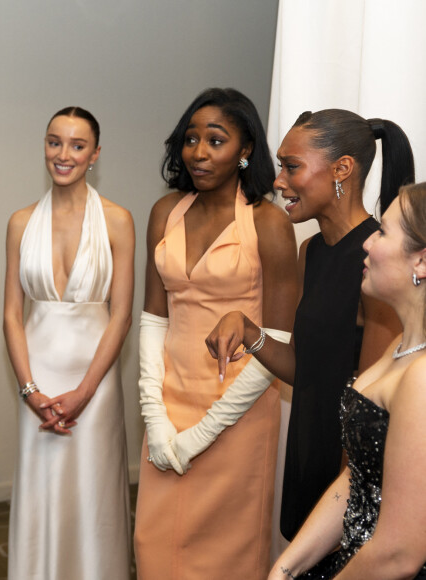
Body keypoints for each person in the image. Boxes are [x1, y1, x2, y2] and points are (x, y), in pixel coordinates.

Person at [206, 109, 415, 540]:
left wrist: (345, 507)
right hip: (308, 452)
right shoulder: (312, 253)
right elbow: (305, 370)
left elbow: (370, 407)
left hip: (347, 475)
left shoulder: (376, 261)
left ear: (342, 169)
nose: (278, 180)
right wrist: (248, 330)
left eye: (292, 166)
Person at [133, 87, 299, 579]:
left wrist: (203, 433)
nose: (199, 152)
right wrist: (154, 413)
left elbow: (279, 342)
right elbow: (153, 319)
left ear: (245, 150)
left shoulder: (268, 224)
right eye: (191, 138)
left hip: (237, 411)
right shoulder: (166, 212)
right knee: (155, 547)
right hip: (167, 405)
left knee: (225, 557)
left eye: (216, 140)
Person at [269, 182, 426, 579]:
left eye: (384, 232)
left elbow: (399, 555)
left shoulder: (423, 377)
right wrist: (285, 568)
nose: (368, 243)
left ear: (422, 262)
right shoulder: (400, 347)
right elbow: (360, 474)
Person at [3, 106, 134, 579]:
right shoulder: (20, 222)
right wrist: (29, 391)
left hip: (94, 384)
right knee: (41, 491)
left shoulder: (118, 220)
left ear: (95, 154)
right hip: (34, 380)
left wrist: (84, 392)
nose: (63, 154)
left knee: (92, 494)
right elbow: (11, 315)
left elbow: (120, 317)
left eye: (77, 145)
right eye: (54, 141)